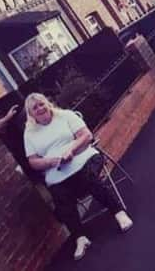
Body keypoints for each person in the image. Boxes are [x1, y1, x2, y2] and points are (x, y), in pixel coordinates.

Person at [23, 93, 133, 261]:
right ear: (30, 113)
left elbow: (86, 135)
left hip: (85, 157)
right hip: (57, 170)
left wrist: (71, 150)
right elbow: (33, 161)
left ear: (47, 104)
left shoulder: (65, 116)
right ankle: (80, 237)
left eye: (41, 104)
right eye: (34, 108)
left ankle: (118, 212)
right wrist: (50, 161)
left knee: (88, 177)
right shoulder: (29, 133)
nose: (39, 109)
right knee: (60, 196)